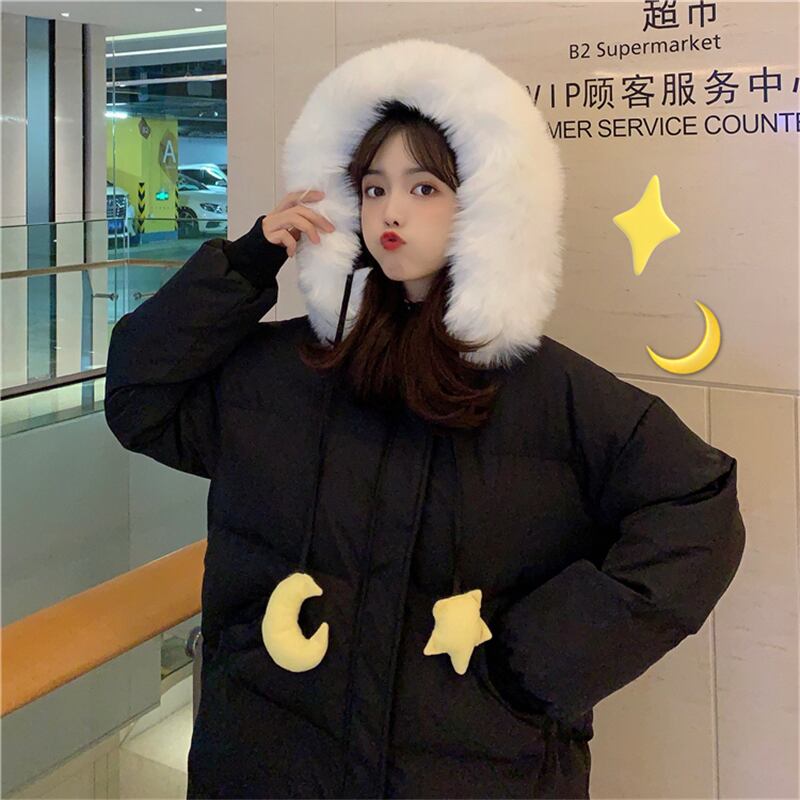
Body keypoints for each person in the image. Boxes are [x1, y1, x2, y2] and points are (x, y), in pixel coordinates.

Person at [104, 38, 746, 799]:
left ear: (487, 204)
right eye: (373, 188)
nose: (391, 211)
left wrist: (532, 667)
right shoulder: (286, 369)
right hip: (268, 757)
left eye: (425, 187)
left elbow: (697, 509)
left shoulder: (549, 391)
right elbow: (141, 399)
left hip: (467, 772)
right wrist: (243, 265)